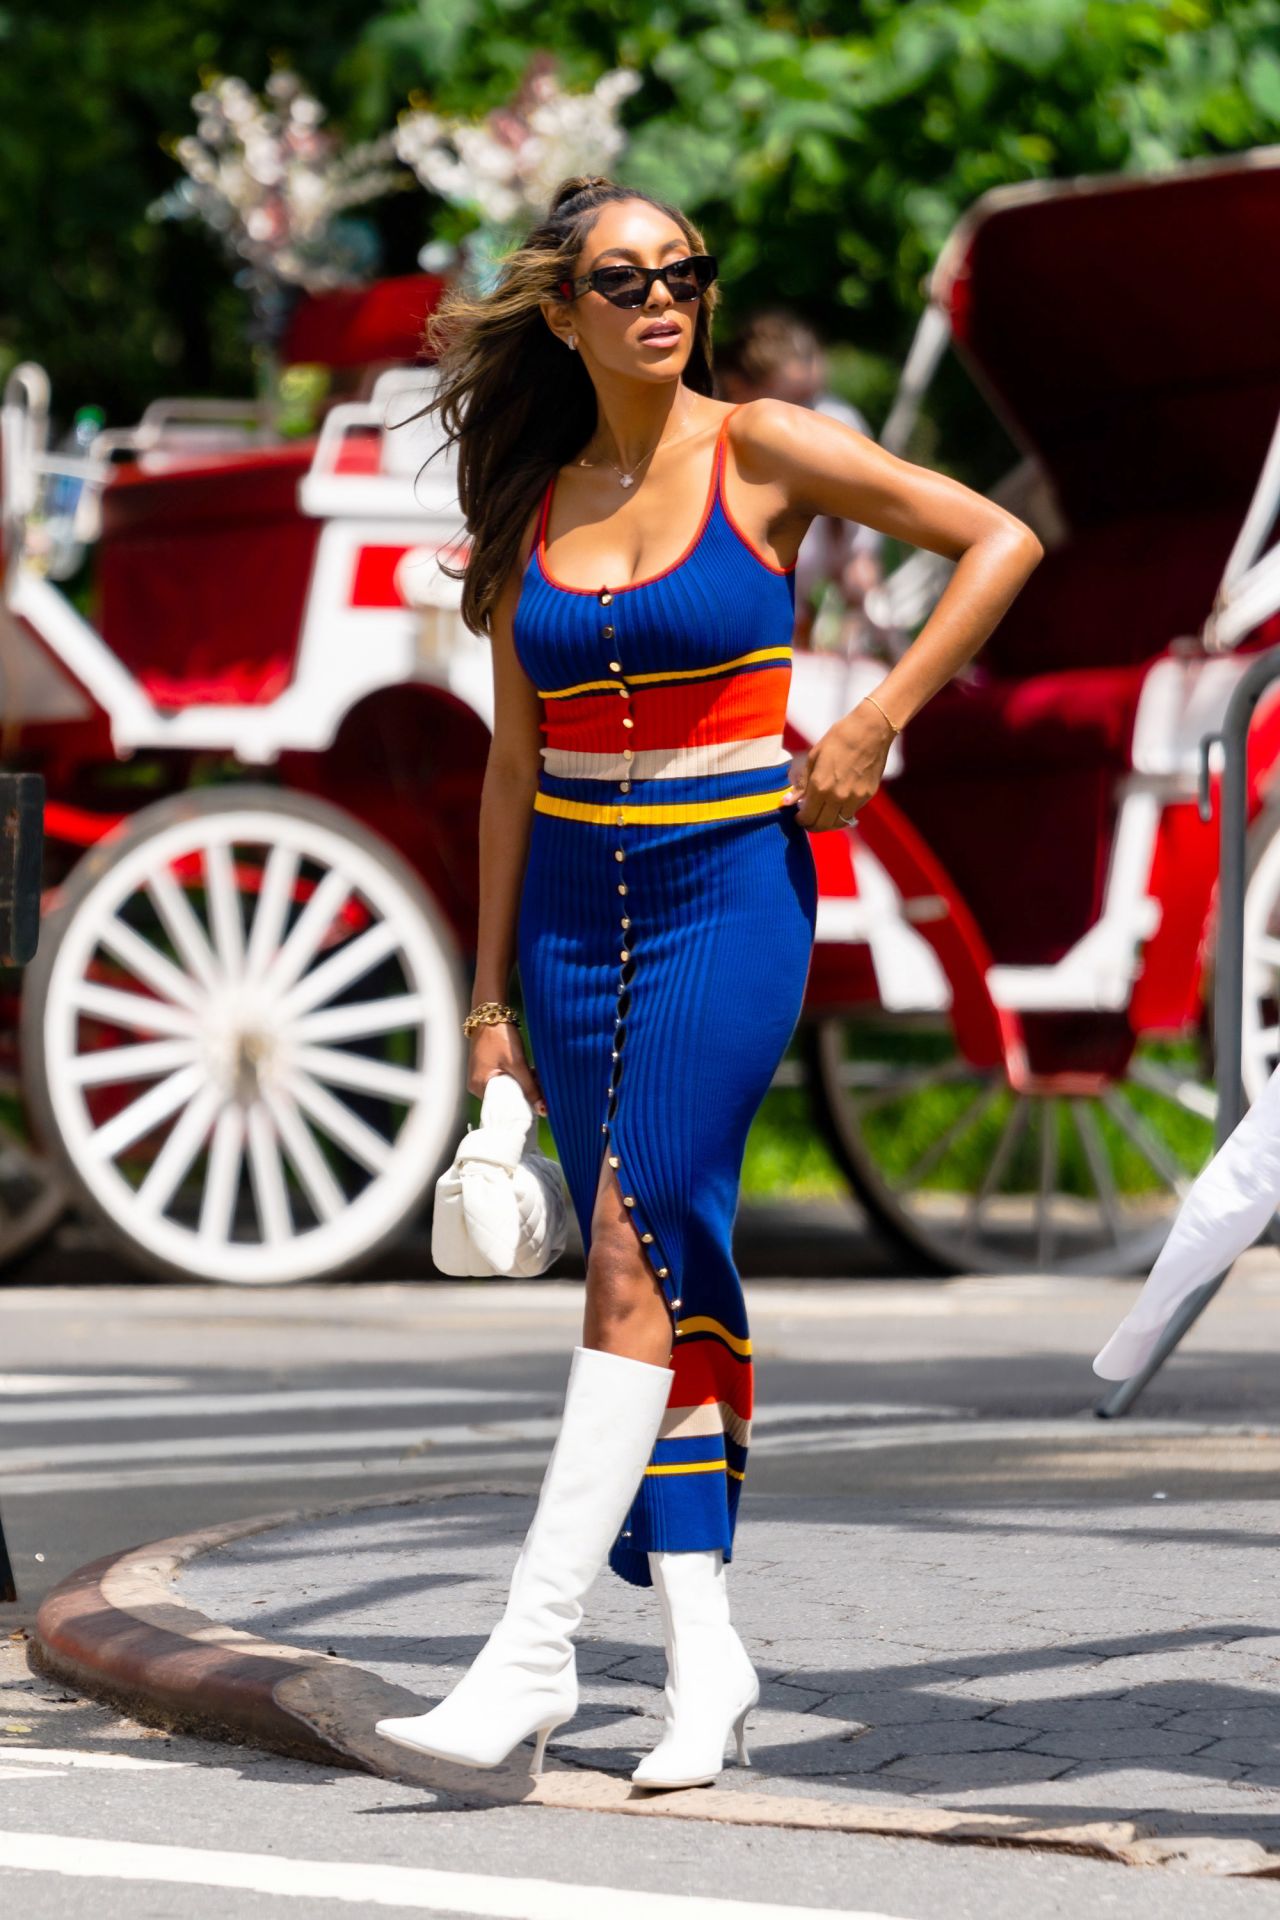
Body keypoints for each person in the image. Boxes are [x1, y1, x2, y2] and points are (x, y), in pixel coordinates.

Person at [374, 175, 1042, 1790]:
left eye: (687, 271)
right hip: (568, 928)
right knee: (670, 1280)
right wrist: (486, 1013)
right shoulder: (531, 496)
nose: (666, 297)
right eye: (626, 276)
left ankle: (528, 1655)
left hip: (728, 897)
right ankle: (704, 1652)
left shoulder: (761, 448)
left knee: (629, 1237)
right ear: (563, 309)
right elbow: (506, 771)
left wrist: (877, 717)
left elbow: (996, 537)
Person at [716, 309, 885, 652]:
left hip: (794, 635)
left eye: (814, 397)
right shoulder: (705, 449)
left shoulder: (835, 426)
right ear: (739, 389)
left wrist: (863, 597)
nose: (811, 414)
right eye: (794, 401)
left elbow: (856, 560)